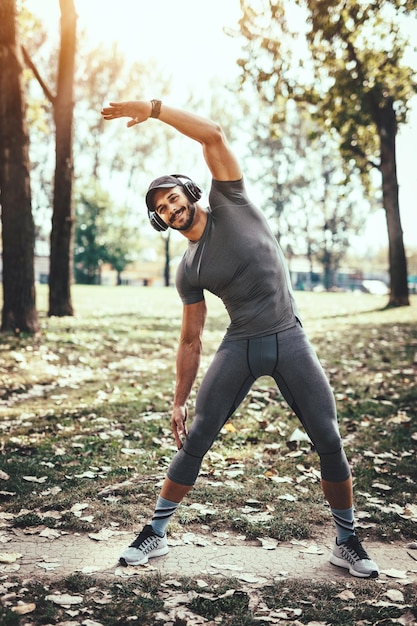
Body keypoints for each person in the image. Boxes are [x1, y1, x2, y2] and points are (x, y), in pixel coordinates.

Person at [101, 99, 379, 579]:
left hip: (289, 337)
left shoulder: (231, 200)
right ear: (161, 221)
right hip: (241, 346)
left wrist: (154, 109)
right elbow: (191, 340)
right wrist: (178, 400)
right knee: (196, 439)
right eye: (162, 210)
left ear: (190, 191)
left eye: (173, 198)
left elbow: (212, 133)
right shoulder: (189, 269)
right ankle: (155, 533)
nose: (172, 209)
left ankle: (347, 539)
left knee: (328, 439)